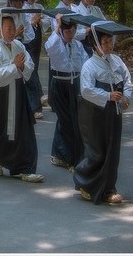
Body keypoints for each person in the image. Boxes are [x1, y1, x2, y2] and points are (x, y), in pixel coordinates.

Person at [74, 20, 133, 205]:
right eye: (104, 42)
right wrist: (107, 95)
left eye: (110, 41)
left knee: (112, 149)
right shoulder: (89, 65)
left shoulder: (116, 60)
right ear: (96, 44)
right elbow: (86, 90)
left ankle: (108, 187)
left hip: (113, 111)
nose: (108, 46)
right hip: (94, 113)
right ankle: (84, 182)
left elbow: (127, 78)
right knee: (97, 150)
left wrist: (126, 97)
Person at [0, 12, 43, 182]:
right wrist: (15, 66)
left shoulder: (18, 45)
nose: (11, 31)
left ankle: (24, 166)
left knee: (22, 128)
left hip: (17, 90)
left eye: (13, 27)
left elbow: (30, 67)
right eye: (7, 28)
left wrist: (22, 66)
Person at [45, 13, 88, 171]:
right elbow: (48, 47)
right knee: (66, 120)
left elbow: (84, 64)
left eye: (72, 31)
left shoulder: (77, 45)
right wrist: (56, 27)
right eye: (67, 32)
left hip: (74, 84)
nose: (70, 34)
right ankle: (71, 158)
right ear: (61, 32)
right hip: (59, 84)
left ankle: (59, 154)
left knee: (73, 120)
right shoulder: (56, 43)